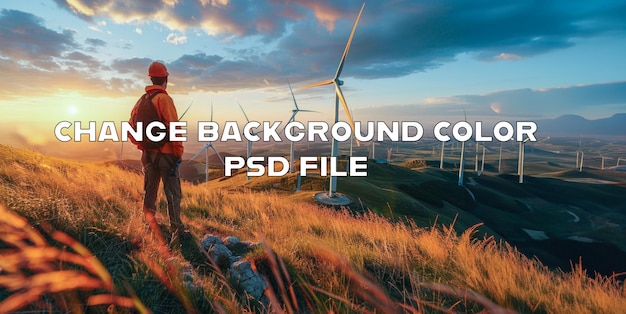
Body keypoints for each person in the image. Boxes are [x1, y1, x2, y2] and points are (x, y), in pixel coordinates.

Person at [129, 61, 188, 241]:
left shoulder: (141, 101)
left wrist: (143, 146)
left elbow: (130, 128)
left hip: (148, 155)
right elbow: (174, 129)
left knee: (150, 192)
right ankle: (177, 231)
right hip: (166, 156)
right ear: (166, 78)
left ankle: (148, 225)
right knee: (173, 194)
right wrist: (178, 153)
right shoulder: (164, 100)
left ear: (151, 78)